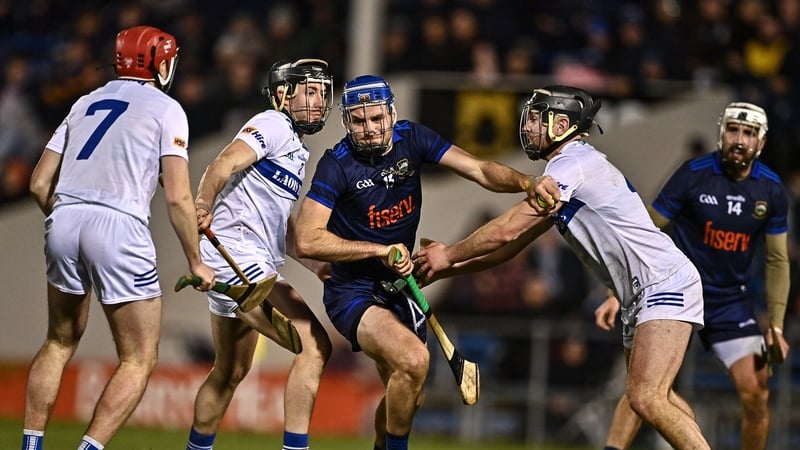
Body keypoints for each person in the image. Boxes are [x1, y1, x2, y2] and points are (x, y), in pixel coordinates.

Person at [414, 85, 712, 449]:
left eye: (539, 118)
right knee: (652, 395)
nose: (529, 126)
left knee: (646, 397)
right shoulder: (568, 170)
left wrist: (448, 254)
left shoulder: (570, 166)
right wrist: (448, 270)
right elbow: (512, 247)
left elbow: (506, 230)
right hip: (643, 290)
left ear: (562, 124)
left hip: (662, 282)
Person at [293, 74, 534, 450]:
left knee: (408, 391)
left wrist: (526, 183)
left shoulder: (413, 138)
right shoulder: (336, 165)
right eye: (359, 121)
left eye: (376, 118)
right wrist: (377, 250)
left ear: (391, 113)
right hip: (353, 292)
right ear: (346, 123)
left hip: (401, 288)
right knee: (414, 359)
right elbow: (307, 238)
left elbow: (480, 170)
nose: (370, 130)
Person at [21, 26, 215, 450]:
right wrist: (196, 261)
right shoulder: (167, 109)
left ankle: (30, 445)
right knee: (138, 358)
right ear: (160, 63)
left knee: (58, 341)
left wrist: (71, 221)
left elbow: (38, 183)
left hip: (65, 217)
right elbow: (179, 199)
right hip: (119, 227)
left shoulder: (84, 102)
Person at [594, 101, 791, 450]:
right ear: (721, 133)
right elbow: (645, 230)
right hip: (676, 292)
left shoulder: (772, 190)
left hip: (730, 301)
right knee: (646, 385)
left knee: (757, 393)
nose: (739, 139)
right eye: (733, 130)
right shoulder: (693, 174)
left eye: (748, 133)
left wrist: (775, 325)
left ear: (760, 143)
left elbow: (777, 260)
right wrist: (614, 290)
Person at [185, 58, 334, 450]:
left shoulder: (297, 149)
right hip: (236, 257)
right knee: (315, 345)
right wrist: (203, 203)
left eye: (322, 92)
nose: (320, 101)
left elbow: (281, 225)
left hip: (242, 261)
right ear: (283, 95)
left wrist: (315, 263)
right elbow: (224, 162)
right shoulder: (273, 123)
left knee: (230, 371)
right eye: (311, 91)